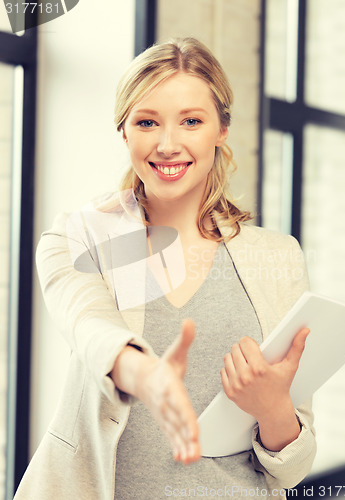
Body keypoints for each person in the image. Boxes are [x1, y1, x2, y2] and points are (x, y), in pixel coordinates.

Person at [14, 38, 316, 500]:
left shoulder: (278, 258)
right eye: (147, 122)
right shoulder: (79, 237)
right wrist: (143, 374)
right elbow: (89, 326)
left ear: (221, 129)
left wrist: (274, 409)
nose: (168, 144)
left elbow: (291, 470)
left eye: (192, 121)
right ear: (124, 132)